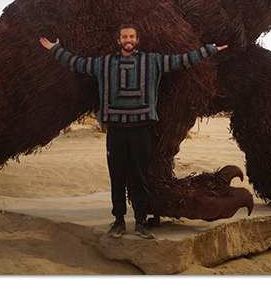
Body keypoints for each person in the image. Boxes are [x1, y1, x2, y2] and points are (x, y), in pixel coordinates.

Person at [40, 24, 227, 239]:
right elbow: (77, 64)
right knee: (117, 177)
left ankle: (141, 222)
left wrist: (209, 50)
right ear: (118, 41)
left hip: (140, 130)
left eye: (131, 36)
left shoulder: (153, 61)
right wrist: (55, 49)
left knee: (140, 177)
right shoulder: (104, 63)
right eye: (124, 37)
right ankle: (118, 221)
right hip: (116, 131)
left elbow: (181, 61)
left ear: (137, 40)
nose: (128, 40)